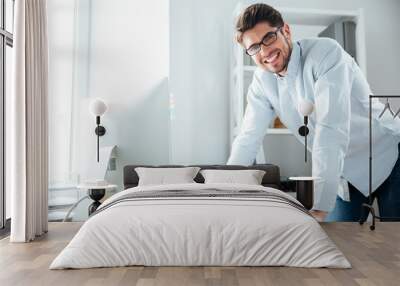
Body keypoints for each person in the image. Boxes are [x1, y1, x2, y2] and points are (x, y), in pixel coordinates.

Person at [227, 3, 400, 222]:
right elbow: (248, 138)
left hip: (389, 155)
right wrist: (226, 189)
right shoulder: (262, 82)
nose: (265, 51)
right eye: (254, 48)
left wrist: (319, 207)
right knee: (336, 243)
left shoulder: (326, 53)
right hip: (345, 174)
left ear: (286, 31)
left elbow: (331, 129)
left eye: (269, 38)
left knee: (395, 244)